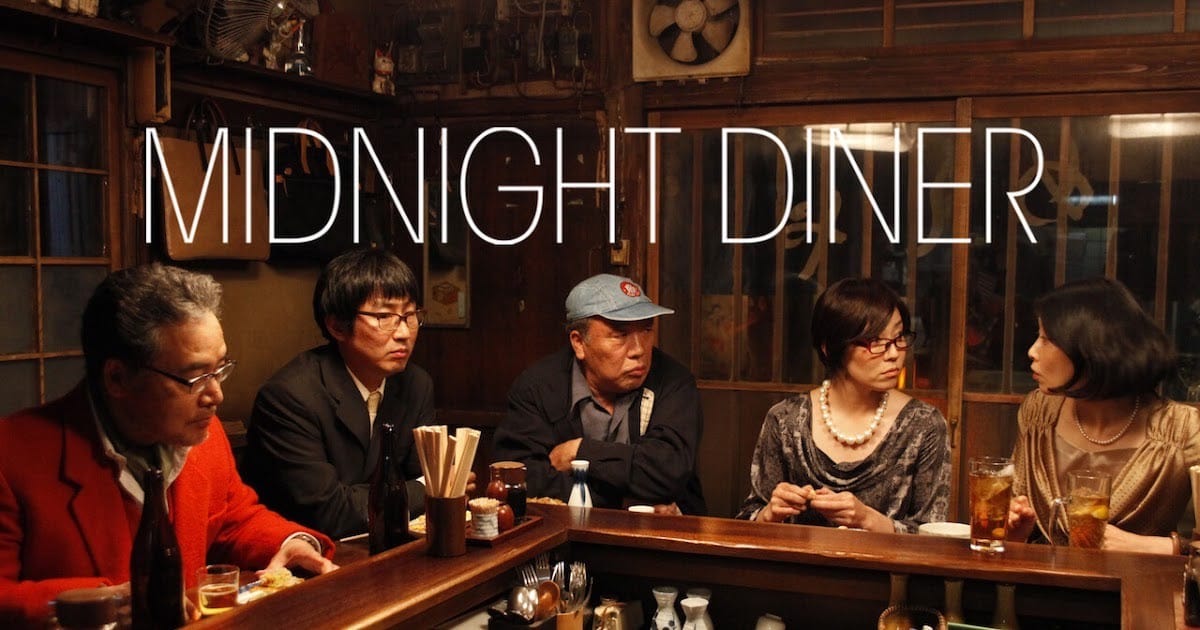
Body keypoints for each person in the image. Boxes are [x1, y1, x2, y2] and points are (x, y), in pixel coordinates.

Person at [0, 263, 336, 628]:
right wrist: (103, 603)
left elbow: (234, 519)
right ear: (117, 378)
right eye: (194, 377)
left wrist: (289, 542)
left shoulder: (204, 435)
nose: (216, 395)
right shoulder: (13, 455)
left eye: (220, 369)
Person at [241, 248, 443, 540]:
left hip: (386, 545)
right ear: (337, 325)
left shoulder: (415, 384)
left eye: (410, 315)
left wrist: (407, 490)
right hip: (305, 553)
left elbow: (424, 477)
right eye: (385, 316)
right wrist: (425, 489)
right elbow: (330, 513)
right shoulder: (289, 397)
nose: (403, 333)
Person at [735, 278, 951, 533]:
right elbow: (748, 522)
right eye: (876, 342)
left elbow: (933, 536)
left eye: (898, 337)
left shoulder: (924, 424)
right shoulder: (785, 420)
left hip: (883, 561)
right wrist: (770, 513)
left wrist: (867, 519)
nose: (894, 354)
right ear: (830, 348)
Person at [1007, 277, 1200, 553]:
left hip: (1135, 581)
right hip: (1044, 578)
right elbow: (1019, 514)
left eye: (1046, 339)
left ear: (1091, 348)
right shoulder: (1039, 413)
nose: (1032, 351)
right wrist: (1016, 531)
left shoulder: (1179, 430)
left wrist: (1149, 546)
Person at [493, 274, 706, 514]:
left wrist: (580, 452)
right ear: (579, 343)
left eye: (647, 330)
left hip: (665, 532)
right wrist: (624, 504)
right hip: (566, 533)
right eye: (620, 335)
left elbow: (669, 470)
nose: (639, 350)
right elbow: (523, 479)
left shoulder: (674, 381)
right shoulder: (538, 387)